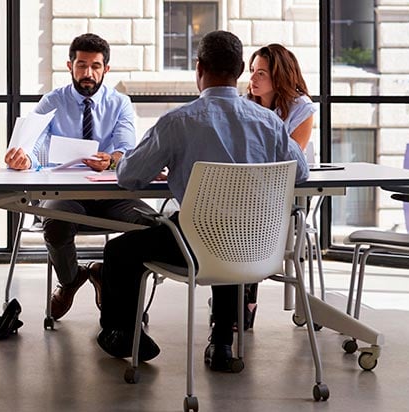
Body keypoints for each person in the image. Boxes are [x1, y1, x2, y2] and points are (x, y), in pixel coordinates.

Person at [96, 31, 309, 371]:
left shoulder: (178, 122)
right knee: (228, 229)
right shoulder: (269, 122)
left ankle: (122, 333)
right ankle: (222, 344)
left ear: (199, 69)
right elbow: (300, 173)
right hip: (256, 243)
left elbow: (129, 178)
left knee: (119, 251)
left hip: (196, 243)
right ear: (240, 69)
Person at [3, 33, 153, 321]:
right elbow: (33, 146)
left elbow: (126, 149)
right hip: (66, 196)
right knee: (56, 223)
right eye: (81, 65)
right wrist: (24, 159)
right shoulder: (52, 101)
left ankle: (108, 278)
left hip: (113, 195)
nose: (88, 73)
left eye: (95, 66)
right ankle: (71, 281)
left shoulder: (119, 103)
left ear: (105, 69)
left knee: (151, 226)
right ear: (69, 65)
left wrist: (111, 161)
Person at [244, 43, 318, 327]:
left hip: (281, 197)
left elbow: (291, 162)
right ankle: (239, 298)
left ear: (280, 76)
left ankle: (240, 298)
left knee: (248, 223)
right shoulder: (244, 104)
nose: (253, 79)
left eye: (261, 73)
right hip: (245, 192)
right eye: (252, 71)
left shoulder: (302, 108)